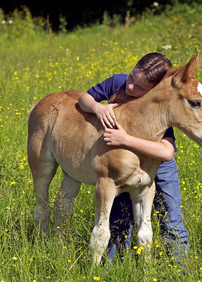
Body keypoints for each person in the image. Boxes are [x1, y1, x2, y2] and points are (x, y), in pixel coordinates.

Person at [78, 53, 189, 266]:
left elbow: (166, 153)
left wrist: (125, 139)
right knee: (120, 221)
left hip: (158, 167)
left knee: (171, 221)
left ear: (153, 91)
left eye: (139, 88)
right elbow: (84, 98)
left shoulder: (156, 107)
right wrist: (97, 107)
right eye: (131, 78)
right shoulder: (118, 83)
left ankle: (180, 273)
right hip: (121, 164)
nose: (130, 88)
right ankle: (113, 271)